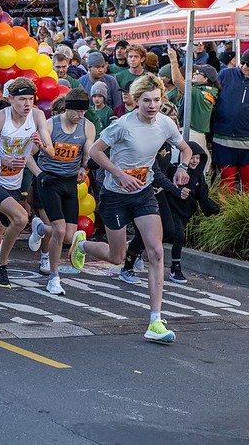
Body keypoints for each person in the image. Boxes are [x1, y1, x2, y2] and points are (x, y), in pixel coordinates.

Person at [69, 73, 192, 344]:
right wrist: (119, 174)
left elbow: (185, 149)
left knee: (157, 251)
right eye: (146, 100)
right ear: (136, 101)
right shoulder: (122, 125)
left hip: (144, 192)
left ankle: (155, 320)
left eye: (157, 100)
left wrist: (183, 168)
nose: (152, 105)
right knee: (116, 257)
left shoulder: (166, 123)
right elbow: (97, 153)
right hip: (115, 194)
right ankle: (81, 245)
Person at [0, 78, 54, 290]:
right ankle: (3, 264)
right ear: (10, 99)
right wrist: (4, 160)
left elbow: (50, 151)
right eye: (22, 99)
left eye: (31, 99)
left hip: (13, 182)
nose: (27, 104)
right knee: (22, 217)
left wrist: (41, 145)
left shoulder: (38, 116)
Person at [26, 88, 95, 296]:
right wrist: (40, 175)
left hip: (70, 182)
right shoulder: (50, 125)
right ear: (67, 108)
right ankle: (54, 277)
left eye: (83, 113)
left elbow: (87, 156)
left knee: (68, 236)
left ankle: (39, 228)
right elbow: (29, 157)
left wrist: (85, 168)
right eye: (76, 112)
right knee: (58, 229)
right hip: (49, 180)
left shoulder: (88, 127)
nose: (80, 116)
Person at [163, 141, 219, 283]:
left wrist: (213, 208)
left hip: (185, 213)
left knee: (162, 237)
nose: (194, 161)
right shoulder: (172, 171)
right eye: (191, 157)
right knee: (178, 236)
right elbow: (164, 185)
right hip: (171, 210)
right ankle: (175, 268)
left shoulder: (199, 176)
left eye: (198, 158)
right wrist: (177, 191)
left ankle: (135, 249)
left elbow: (203, 197)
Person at [212, 47, 249, 192]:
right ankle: (225, 213)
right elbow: (213, 100)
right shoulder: (225, 74)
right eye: (242, 63)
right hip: (223, 138)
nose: (244, 67)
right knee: (226, 182)